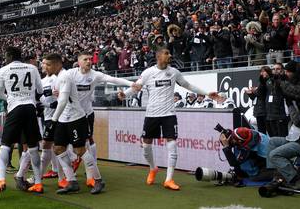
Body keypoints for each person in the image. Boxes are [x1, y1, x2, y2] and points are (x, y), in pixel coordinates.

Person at [118, 48, 221, 190]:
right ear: (158, 56)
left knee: (172, 145)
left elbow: (188, 85)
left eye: (170, 53)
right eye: (166, 53)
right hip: (152, 114)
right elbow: (137, 87)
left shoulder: (174, 72)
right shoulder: (148, 72)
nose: (170, 55)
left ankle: (169, 179)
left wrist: (207, 93)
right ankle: (153, 168)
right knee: (146, 145)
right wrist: (125, 94)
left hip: (169, 114)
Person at [69, 51, 135, 187]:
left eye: (90, 59)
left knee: (88, 140)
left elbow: (113, 79)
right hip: (70, 114)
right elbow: (58, 83)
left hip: (86, 114)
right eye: (85, 59)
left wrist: (131, 84)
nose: (89, 61)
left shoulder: (95, 75)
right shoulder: (71, 74)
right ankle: (71, 167)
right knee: (68, 143)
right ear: (78, 61)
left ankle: (91, 173)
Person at [0, 46, 44, 197]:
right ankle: (38, 183)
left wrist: (11, 98)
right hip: (30, 109)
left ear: (9, 55)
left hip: (15, 109)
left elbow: (0, 93)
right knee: (33, 148)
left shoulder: (4, 69)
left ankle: (1, 180)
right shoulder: (32, 68)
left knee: (5, 145)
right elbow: (39, 90)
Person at [51, 53, 105, 195]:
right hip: (64, 118)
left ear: (56, 65)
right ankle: (72, 181)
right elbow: (60, 98)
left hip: (76, 117)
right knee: (58, 148)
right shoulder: (61, 77)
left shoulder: (66, 76)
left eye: (47, 64)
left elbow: (63, 101)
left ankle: (98, 180)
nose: (44, 67)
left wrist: (53, 120)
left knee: (80, 150)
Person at [267, 60, 300, 189]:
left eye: (287, 72)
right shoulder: (292, 91)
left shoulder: (295, 94)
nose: (285, 74)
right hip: (294, 137)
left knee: (274, 154)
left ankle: (294, 178)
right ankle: (277, 175)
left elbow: (297, 120)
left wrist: (290, 103)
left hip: (298, 141)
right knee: (272, 142)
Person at [38, 54, 68, 189]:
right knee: (53, 147)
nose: (44, 66)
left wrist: (53, 104)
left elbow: (62, 98)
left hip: (58, 117)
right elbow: (41, 98)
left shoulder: (59, 77)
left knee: (52, 146)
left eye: (46, 63)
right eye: (43, 63)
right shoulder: (42, 81)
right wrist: (45, 104)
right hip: (47, 116)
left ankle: (61, 176)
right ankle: (59, 174)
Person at [246, 66, 272, 134]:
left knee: (269, 131)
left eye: (264, 71)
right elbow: (256, 98)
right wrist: (250, 94)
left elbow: (261, 94)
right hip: (259, 111)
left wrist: (254, 91)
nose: (262, 73)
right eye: (261, 71)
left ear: (268, 72)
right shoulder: (260, 82)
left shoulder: (270, 81)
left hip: (265, 110)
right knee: (261, 132)